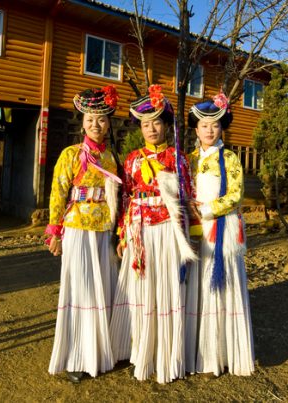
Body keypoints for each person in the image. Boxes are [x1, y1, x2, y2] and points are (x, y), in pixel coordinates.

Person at [109, 85, 199, 384]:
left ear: (166, 125)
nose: (151, 129)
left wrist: (194, 233)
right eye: (145, 124)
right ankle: (139, 351)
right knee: (143, 291)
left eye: (156, 123)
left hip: (169, 231)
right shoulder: (132, 159)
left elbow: (189, 197)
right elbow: (125, 199)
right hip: (140, 231)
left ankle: (167, 355)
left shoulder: (178, 158)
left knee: (168, 289)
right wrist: (122, 235)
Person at [46, 86, 122, 383]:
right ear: (83, 122)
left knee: (103, 288)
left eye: (102, 119)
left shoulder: (112, 159)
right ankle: (77, 355)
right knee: (80, 289)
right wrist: (54, 230)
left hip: (104, 230)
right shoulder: (71, 154)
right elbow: (57, 192)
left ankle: (103, 350)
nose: (96, 124)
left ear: (109, 123)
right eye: (91, 119)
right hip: (77, 228)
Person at [187, 92, 255, 377]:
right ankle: (196, 351)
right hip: (195, 231)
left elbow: (236, 195)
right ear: (196, 129)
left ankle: (221, 354)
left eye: (215, 125)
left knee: (221, 290)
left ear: (221, 127)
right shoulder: (188, 159)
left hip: (221, 229)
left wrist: (206, 209)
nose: (209, 130)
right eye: (204, 125)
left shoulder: (230, 158)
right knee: (197, 289)